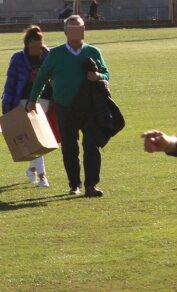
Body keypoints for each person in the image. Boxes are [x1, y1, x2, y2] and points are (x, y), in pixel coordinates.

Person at [27, 15, 110, 197]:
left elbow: (106, 73)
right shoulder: (56, 54)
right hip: (65, 106)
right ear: (65, 32)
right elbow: (41, 77)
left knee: (91, 145)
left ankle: (91, 185)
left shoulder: (93, 52)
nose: (75, 31)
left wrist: (98, 76)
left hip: (90, 107)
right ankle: (74, 184)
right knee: (69, 147)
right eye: (71, 28)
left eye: (79, 27)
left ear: (84, 30)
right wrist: (33, 100)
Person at [2, 25, 55, 187]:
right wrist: (7, 107)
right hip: (24, 100)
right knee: (34, 138)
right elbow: (10, 84)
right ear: (26, 44)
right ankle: (42, 175)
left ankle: (32, 169)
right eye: (32, 47)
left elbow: (56, 78)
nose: (35, 50)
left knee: (38, 137)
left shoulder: (49, 56)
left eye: (38, 46)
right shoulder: (18, 58)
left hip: (45, 101)